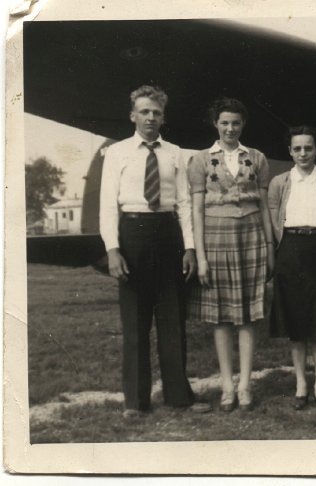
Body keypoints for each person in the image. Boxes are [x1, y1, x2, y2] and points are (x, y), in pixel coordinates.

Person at [99, 85, 210, 417]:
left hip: (168, 235)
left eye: (156, 112)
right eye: (144, 111)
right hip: (131, 234)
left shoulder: (174, 152)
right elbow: (107, 206)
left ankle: (179, 396)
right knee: (135, 322)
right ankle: (135, 401)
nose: (150, 117)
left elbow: (186, 203)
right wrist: (113, 250)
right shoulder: (116, 152)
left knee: (172, 321)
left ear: (163, 118)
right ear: (133, 115)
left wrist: (189, 247)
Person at [187, 97, 274, 412]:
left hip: (251, 235)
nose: (230, 128)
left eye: (235, 123)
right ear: (216, 124)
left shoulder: (256, 158)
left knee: (248, 316)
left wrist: (269, 247)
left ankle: (246, 386)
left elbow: (264, 207)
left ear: (242, 125)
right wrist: (200, 255)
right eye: (224, 122)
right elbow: (196, 210)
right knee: (222, 318)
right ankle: (227, 387)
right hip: (215, 238)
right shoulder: (200, 160)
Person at [268, 126, 316, 411]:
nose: (302, 153)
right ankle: (301, 383)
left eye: (308, 148)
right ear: (290, 151)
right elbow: (274, 217)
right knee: (296, 324)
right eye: (297, 149)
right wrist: (280, 250)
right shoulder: (280, 182)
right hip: (291, 251)